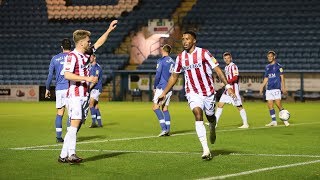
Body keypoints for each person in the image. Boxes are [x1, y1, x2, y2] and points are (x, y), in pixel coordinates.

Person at [158, 31, 236, 160]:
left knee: (210, 117)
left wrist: (228, 86)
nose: (184, 41)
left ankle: (212, 125)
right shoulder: (180, 57)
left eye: (187, 39)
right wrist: (164, 93)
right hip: (192, 92)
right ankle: (206, 150)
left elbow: (217, 70)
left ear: (194, 41)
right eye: (183, 39)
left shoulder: (204, 53)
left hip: (208, 92)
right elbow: (174, 76)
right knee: (198, 114)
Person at [58, 20, 118, 164]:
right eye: (88, 41)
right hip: (75, 95)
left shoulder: (86, 54)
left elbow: (99, 43)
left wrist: (109, 30)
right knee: (75, 124)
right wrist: (87, 78)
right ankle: (71, 154)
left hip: (84, 95)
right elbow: (67, 75)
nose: (90, 43)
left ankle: (62, 155)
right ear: (81, 43)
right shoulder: (72, 56)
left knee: (75, 126)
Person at [45, 38, 71, 143]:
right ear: (71, 46)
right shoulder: (73, 56)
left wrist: (47, 88)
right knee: (72, 114)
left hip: (59, 89)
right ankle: (70, 137)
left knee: (60, 113)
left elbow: (50, 75)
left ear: (61, 47)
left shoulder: (55, 58)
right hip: (70, 88)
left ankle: (59, 137)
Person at [215, 52, 249, 128]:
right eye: (225, 58)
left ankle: (245, 123)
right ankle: (215, 123)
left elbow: (235, 78)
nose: (227, 59)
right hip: (227, 89)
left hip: (234, 90)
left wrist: (225, 83)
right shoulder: (226, 67)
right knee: (220, 104)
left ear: (231, 58)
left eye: (228, 58)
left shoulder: (234, 66)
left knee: (239, 106)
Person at [259, 50, 290, 127]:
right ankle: (274, 121)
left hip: (276, 88)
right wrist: (262, 86)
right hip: (269, 89)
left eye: (271, 56)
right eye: (268, 56)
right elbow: (266, 78)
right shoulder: (267, 67)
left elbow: (282, 77)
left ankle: (285, 120)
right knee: (270, 105)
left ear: (274, 57)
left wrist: (283, 87)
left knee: (278, 104)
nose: (269, 58)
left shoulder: (279, 66)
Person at [152, 44, 175, 137]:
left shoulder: (161, 60)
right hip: (169, 87)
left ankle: (164, 129)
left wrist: (155, 86)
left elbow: (158, 74)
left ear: (163, 50)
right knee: (165, 108)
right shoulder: (173, 61)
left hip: (162, 87)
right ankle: (168, 130)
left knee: (155, 107)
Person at [88, 53, 104, 128]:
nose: (89, 58)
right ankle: (100, 123)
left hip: (96, 88)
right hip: (94, 88)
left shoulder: (97, 68)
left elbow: (95, 80)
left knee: (90, 104)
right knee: (95, 105)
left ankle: (94, 122)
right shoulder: (91, 67)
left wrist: (88, 88)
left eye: (91, 57)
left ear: (94, 57)